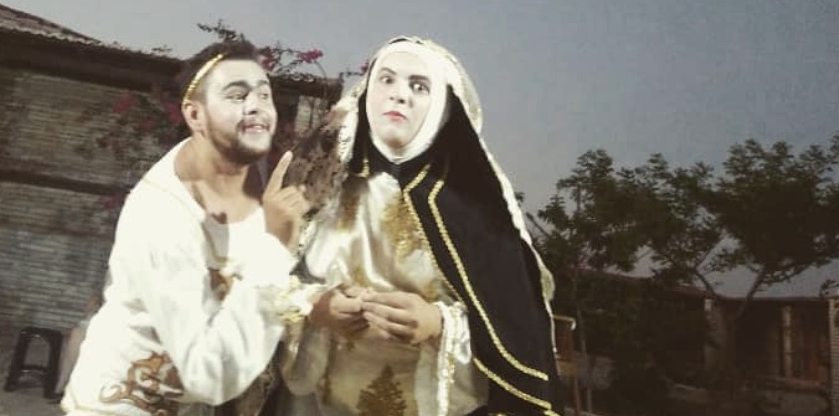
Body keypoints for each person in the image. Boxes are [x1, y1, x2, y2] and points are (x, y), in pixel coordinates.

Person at [277, 37, 563, 416]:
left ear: (443, 108)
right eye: (387, 80)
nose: (400, 95)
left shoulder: (478, 210)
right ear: (366, 92)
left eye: (419, 86)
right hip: (316, 400)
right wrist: (315, 306)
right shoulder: (319, 185)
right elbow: (263, 283)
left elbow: (515, 327)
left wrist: (438, 324)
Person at [61, 39, 313, 416]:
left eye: (264, 94)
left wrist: (317, 305)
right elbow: (210, 376)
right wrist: (275, 245)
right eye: (236, 95)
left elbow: (240, 283)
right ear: (195, 115)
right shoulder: (160, 215)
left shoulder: (251, 177)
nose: (257, 106)